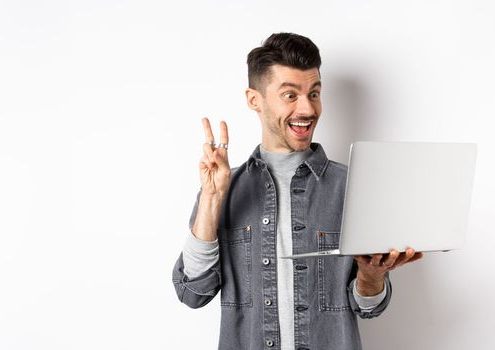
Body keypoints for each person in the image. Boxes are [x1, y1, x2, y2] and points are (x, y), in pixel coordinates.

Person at [171, 32, 423, 350]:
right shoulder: (222, 189)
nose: (307, 109)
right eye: (291, 95)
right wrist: (212, 199)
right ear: (254, 99)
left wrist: (372, 277)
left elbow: (368, 306)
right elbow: (193, 292)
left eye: (314, 93)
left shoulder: (353, 187)